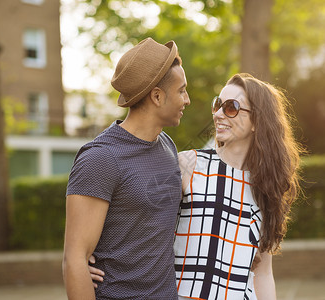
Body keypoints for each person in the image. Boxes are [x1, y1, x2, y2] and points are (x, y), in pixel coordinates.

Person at [90, 73, 302, 299]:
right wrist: (89, 257)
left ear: (257, 121)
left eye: (231, 107)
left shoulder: (267, 187)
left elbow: (263, 273)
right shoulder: (188, 165)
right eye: (218, 105)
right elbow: (139, 223)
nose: (219, 114)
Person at [62, 37, 190, 300]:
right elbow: (74, 259)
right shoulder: (101, 159)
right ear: (157, 96)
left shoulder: (167, 145)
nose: (187, 100)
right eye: (182, 91)